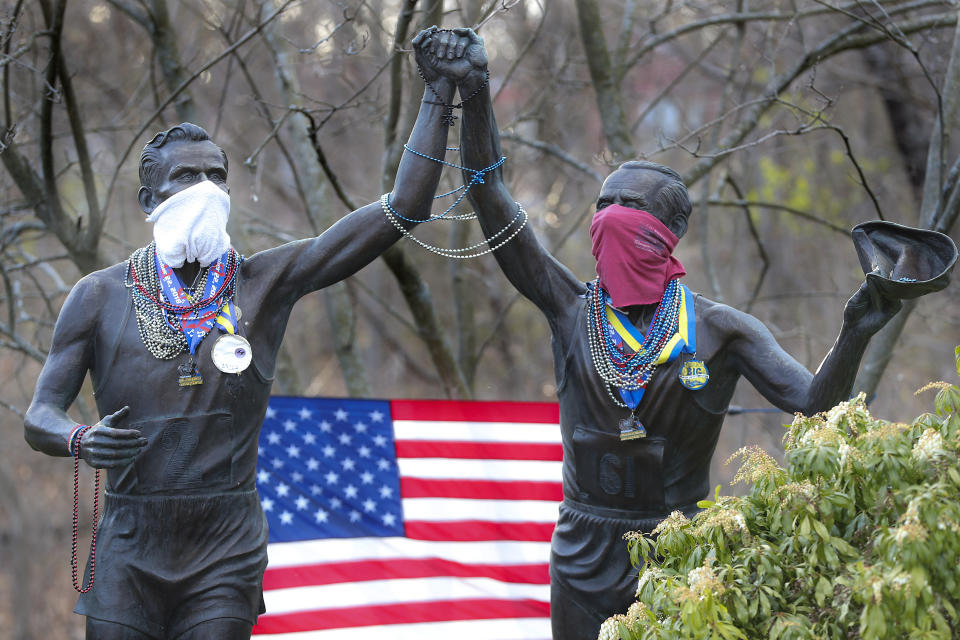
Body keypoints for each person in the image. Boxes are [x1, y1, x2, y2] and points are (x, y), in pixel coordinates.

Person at [448, 30, 905, 639]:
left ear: (667, 232)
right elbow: (488, 191)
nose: (608, 216)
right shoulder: (568, 306)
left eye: (628, 206)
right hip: (581, 551)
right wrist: (474, 93)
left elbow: (814, 405)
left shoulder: (721, 330)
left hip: (679, 551)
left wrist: (855, 330)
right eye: (602, 204)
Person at [23, 28, 476, 640]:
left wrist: (439, 92)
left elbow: (405, 206)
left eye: (217, 175)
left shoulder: (265, 282)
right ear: (148, 199)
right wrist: (79, 438)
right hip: (129, 541)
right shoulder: (98, 296)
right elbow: (38, 416)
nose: (205, 190)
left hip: (224, 546)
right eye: (186, 178)